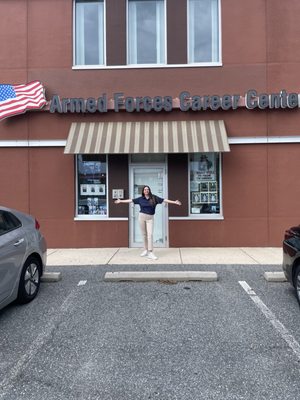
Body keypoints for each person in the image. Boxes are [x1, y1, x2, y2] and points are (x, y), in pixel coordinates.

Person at [114, 185, 181, 260]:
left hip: (150, 218)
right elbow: (131, 200)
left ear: (149, 190)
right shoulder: (140, 199)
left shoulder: (154, 198)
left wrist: (174, 202)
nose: (146, 190)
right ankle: (145, 250)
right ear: (143, 191)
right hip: (141, 217)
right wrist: (120, 201)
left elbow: (164, 200)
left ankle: (150, 252)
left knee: (150, 235)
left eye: (147, 189)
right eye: (145, 189)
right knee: (144, 235)